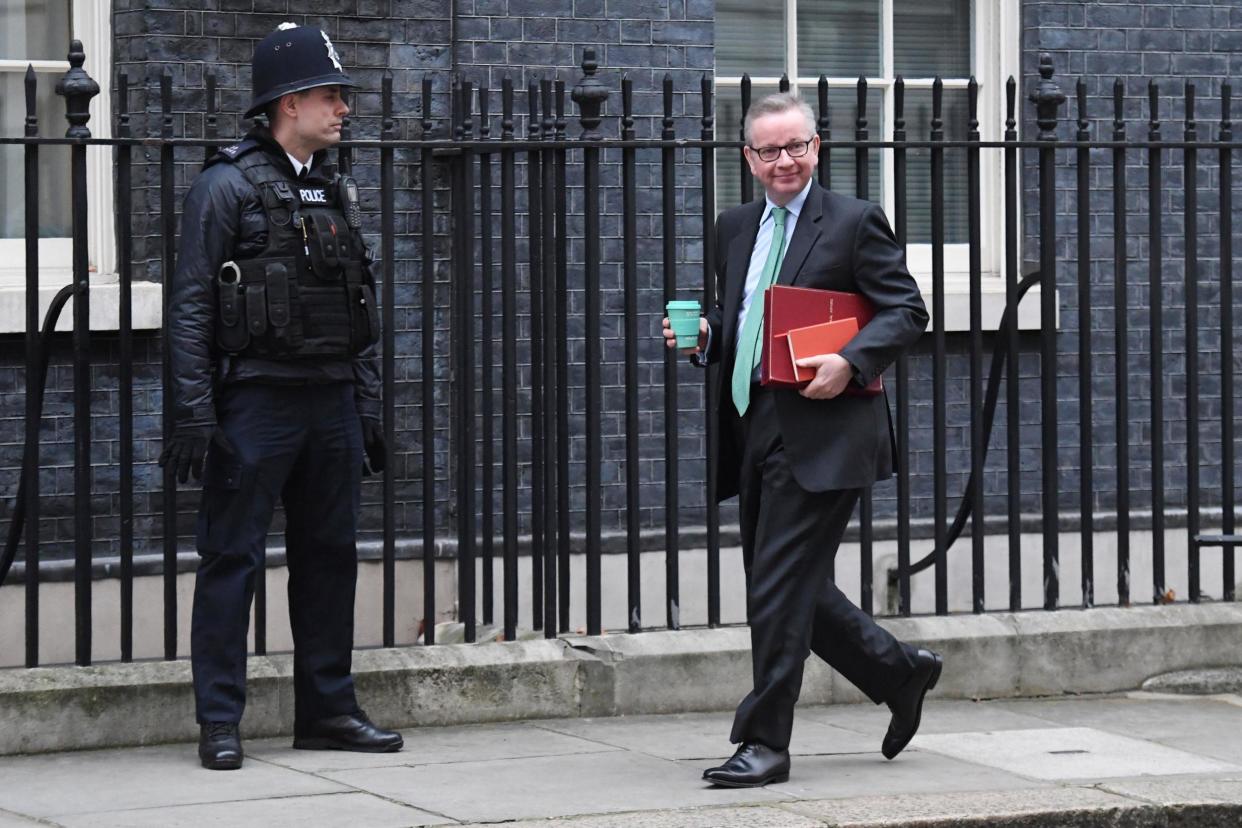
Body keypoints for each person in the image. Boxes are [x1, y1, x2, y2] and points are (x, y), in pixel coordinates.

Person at [662, 92, 940, 787]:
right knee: (786, 584)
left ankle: (766, 742)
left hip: (825, 430)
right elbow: (745, 322)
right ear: (748, 158)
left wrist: (851, 361)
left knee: (777, 590)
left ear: (816, 148)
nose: (785, 160)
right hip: (753, 423)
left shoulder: (852, 222)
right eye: (769, 150)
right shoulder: (736, 227)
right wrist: (702, 339)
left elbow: (906, 309)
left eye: (796, 146)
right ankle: (899, 672)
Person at [160, 23, 401, 770]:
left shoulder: (332, 189)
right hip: (255, 402)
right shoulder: (225, 184)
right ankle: (220, 723)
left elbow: (356, 307)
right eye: (332, 96)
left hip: (327, 399)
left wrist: (364, 408)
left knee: (329, 557)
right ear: (289, 102)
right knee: (231, 559)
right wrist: (195, 413)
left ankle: (327, 711)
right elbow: (192, 304)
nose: (344, 109)